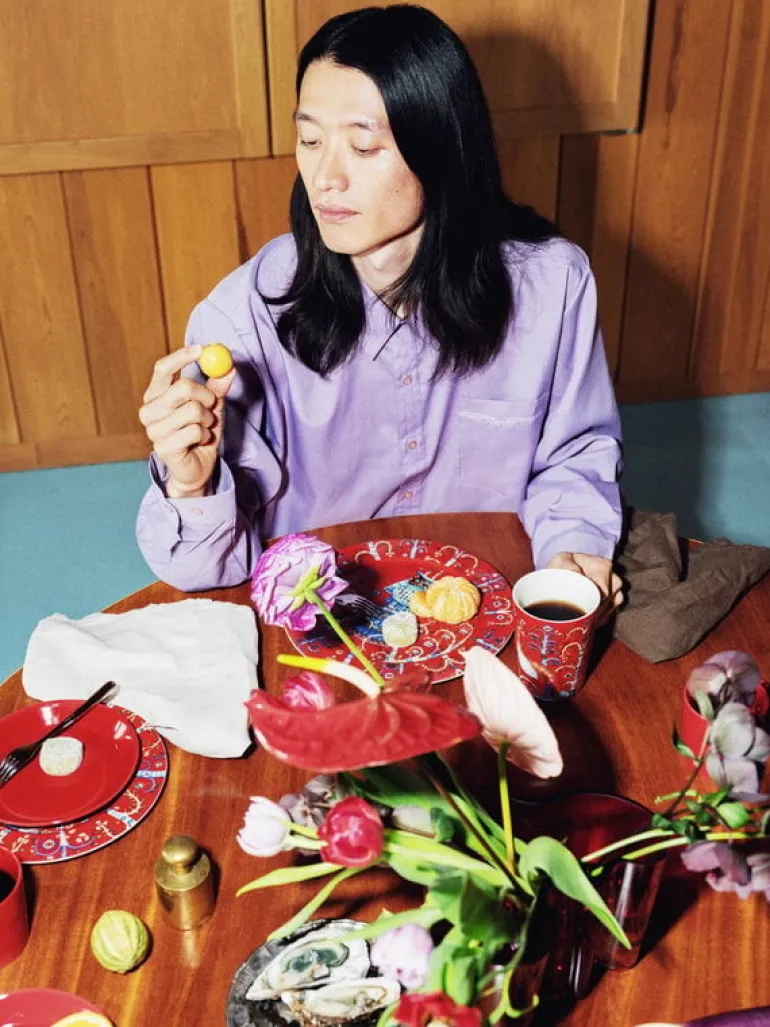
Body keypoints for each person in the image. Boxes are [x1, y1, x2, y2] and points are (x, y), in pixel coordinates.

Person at [137, 4, 623, 606]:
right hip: (324, 617)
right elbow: (210, 571)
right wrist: (192, 484)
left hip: (485, 602)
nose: (325, 177)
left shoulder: (550, 285)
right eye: (310, 140)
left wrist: (573, 547)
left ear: (443, 149)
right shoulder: (245, 314)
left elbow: (574, 454)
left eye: (364, 147)